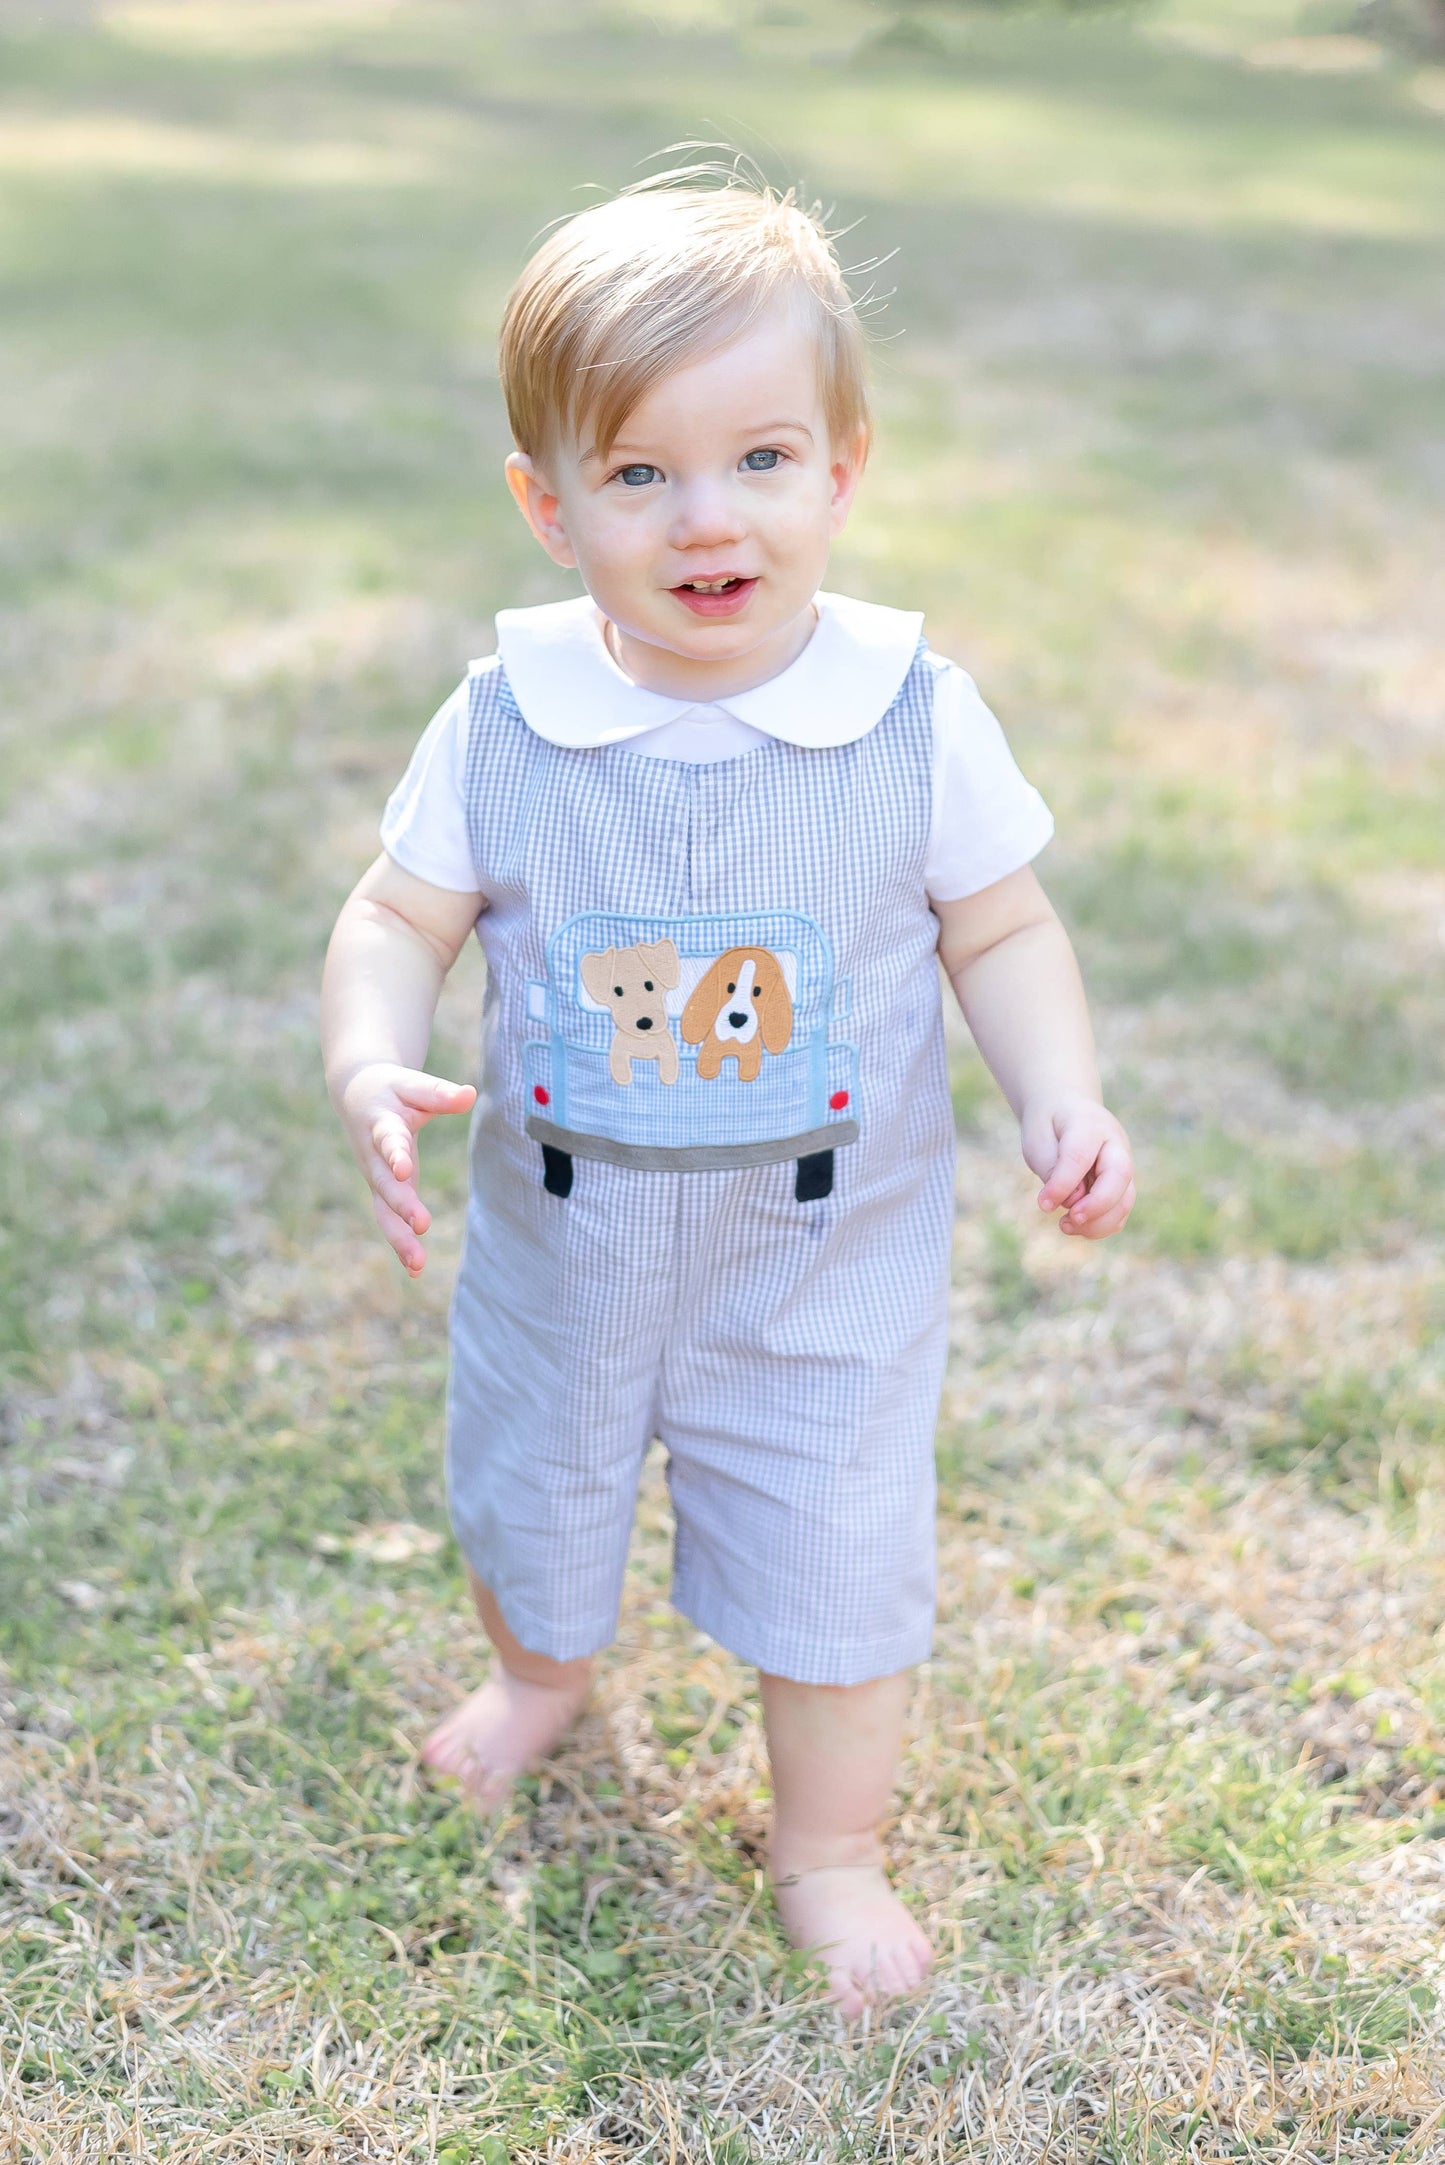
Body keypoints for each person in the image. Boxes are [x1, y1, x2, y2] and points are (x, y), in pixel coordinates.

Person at [320, 170, 1135, 2018]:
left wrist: (1057, 1094)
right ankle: (540, 1678)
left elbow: (999, 931)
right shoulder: (507, 718)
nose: (709, 516)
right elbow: (393, 913)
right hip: (569, 1245)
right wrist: (371, 1048)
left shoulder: (911, 709)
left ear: (843, 466)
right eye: (637, 473)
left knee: (842, 1548)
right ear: (548, 506)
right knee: (533, 1493)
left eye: (761, 457)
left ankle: (828, 1845)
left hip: (824, 1259)